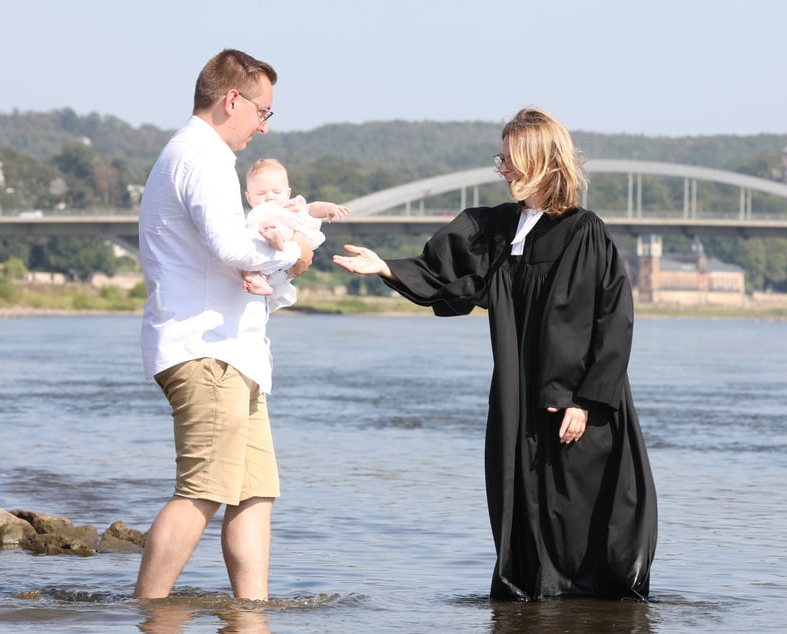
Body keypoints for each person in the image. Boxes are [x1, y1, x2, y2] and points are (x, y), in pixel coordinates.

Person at [333, 107, 657, 602]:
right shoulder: (499, 229)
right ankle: (530, 600)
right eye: (500, 160)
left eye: (509, 160)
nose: (502, 169)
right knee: (520, 496)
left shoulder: (584, 231)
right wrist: (387, 269)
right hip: (518, 397)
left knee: (576, 510)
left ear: (539, 162)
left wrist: (586, 401)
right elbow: (450, 277)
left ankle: (586, 607)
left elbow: (612, 322)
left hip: (577, 404)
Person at [135, 48, 314, 600]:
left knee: (254, 493)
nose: (263, 128)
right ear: (232, 100)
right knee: (204, 491)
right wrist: (294, 251)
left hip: (236, 355)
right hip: (206, 350)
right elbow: (231, 245)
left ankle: (252, 614)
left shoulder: (202, 156)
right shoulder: (200, 156)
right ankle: (148, 611)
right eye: (263, 113)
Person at [242, 158, 349, 311]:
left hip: (285, 239)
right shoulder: (255, 214)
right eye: (261, 193)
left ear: (288, 193)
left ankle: (277, 240)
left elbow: (312, 208)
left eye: (276, 192)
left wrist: (329, 208)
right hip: (263, 251)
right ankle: (261, 282)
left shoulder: (290, 207)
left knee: (280, 229)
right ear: (249, 198)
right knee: (249, 269)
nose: (269, 197)